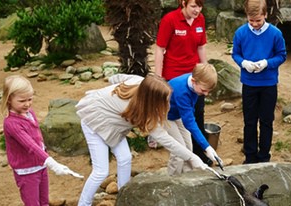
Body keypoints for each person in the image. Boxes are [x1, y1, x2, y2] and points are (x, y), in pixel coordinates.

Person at [76, 74, 207, 205]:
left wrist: (111, 78)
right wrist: (192, 157)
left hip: (113, 124)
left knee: (125, 158)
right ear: (152, 100)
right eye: (165, 100)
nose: (168, 103)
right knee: (101, 172)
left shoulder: (141, 83)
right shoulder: (145, 114)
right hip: (93, 121)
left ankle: (124, 195)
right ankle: (83, 204)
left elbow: (119, 77)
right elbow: (168, 141)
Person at [1, 75, 82, 206]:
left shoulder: (29, 112)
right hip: (27, 170)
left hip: (40, 164)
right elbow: (30, 145)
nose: (27, 104)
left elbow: (37, 135)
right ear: (9, 99)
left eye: (30, 99)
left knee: (44, 201)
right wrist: (52, 163)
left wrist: (45, 155)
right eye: (22, 101)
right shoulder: (12, 123)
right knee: (32, 203)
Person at [154, 0, 212, 166]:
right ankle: (180, 152)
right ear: (183, 3)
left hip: (196, 77)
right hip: (174, 77)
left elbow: (201, 47)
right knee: (177, 114)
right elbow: (160, 49)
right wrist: (158, 78)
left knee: (197, 113)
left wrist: (206, 71)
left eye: (200, 6)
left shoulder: (200, 19)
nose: (197, 10)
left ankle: (200, 153)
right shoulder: (169, 20)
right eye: (194, 6)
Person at [232, 0, 287, 164]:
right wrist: (243, 63)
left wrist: (267, 63)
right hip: (249, 83)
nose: (255, 24)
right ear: (247, 16)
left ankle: (264, 156)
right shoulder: (240, 33)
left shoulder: (275, 33)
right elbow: (235, 54)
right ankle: (250, 156)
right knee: (249, 121)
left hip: (268, 83)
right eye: (251, 20)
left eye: (258, 20)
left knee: (266, 121)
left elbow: (281, 55)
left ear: (265, 15)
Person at [163, 63, 223, 175]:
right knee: (178, 151)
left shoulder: (196, 84)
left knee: (188, 147)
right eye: (204, 90)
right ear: (194, 81)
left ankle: (187, 175)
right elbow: (189, 122)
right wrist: (207, 147)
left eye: (208, 91)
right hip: (166, 117)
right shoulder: (182, 91)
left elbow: (189, 113)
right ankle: (172, 180)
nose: (205, 94)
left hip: (178, 115)